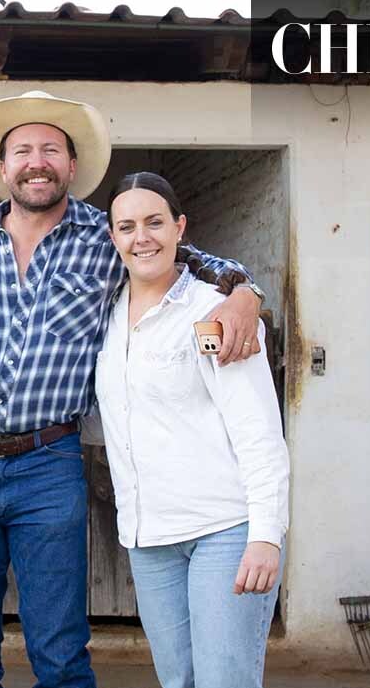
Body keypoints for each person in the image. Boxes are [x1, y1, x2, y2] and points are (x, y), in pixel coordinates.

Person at [0, 91, 267, 688]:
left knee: (60, 652)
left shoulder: (109, 238)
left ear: (72, 167)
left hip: (49, 465)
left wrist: (247, 292)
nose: (36, 161)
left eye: (51, 149)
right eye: (22, 150)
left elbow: (193, 260)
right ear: (3, 169)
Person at [96, 172, 288, 688]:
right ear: (113, 237)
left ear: (180, 227)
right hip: (148, 537)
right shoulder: (105, 317)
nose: (143, 238)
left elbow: (258, 431)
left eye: (155, 222)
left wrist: (266, 536)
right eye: (128, 226)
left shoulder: (212, 316)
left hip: (222, 531)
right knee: (177, 680)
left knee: (223, 680)